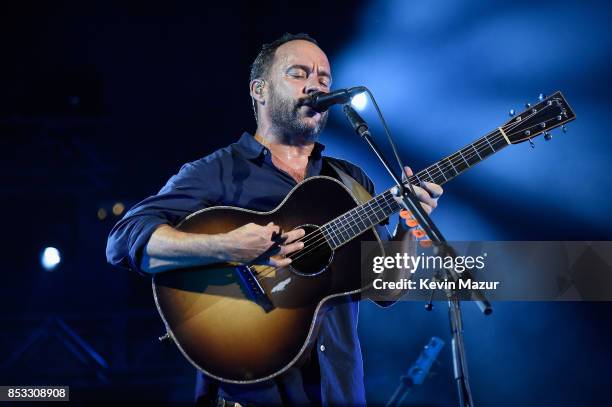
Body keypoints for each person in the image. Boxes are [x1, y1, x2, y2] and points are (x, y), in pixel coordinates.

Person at [106, 32, 443, 406]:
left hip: (339, 391)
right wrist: (226, 245)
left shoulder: (348, 180)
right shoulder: (217, 171)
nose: (315, 84)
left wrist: (408, 225)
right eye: (298, 73)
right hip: (250, 393)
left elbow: (386, 288)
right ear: (259, 90)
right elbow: (124, 239)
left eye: (324, 78)